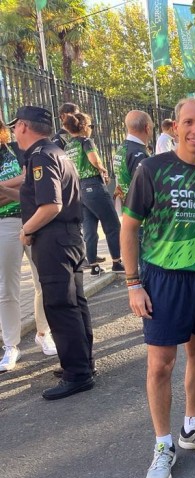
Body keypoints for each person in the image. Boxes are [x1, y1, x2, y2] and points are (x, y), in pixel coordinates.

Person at [121, 98, 195, 478]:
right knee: (160, 364)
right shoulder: (151, 169)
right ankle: (163, 444)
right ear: (175, 127)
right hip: (163, 278)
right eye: (189, 123)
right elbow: (129, 228)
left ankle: (192, 428)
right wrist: (133, 283)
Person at [12, 106, 94, 399]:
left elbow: (50, 206)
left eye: (15, 127)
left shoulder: (40, 157)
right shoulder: (57, 153)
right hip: (69, 237)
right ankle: (83, 362)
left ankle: (78, 373)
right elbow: (37, 194)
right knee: (75, 303)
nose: (13, 133)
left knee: (60, 306)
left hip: (54, 238)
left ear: (23, 126)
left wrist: (26, 231)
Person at [0, 117, 57, 372]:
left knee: (43, 280)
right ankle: (11, 345)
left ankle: (44, 333)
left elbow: (30, 179)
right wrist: (20, 185)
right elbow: (24, 182)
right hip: (4, 224)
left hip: (33, 218)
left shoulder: (16, 148)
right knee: (6, 289)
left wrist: (5, 186)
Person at [63, 113, 124, 274]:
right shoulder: (86, 141)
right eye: (90, 126)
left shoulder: (68, 146)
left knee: (90, 229)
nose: (91, 130)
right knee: (112, 224)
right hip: (93, 185)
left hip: (78, 189)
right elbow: (93, 159)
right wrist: (102, 169)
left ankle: (94, 266)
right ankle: (117, 262)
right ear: (83, 127)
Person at [114, 110, 153, 202]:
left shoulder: (122, 148)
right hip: (138, 209)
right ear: (147, 128)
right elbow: (144, 188)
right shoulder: (139, 153)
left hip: (128, 205)